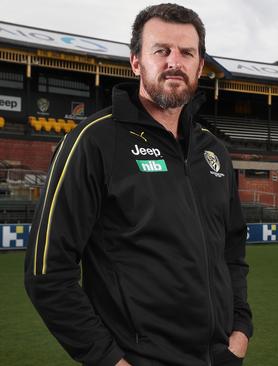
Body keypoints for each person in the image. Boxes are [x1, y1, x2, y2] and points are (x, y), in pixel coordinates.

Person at [24, 4, 252, 366]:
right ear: (135, 62)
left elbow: (232, 252)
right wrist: (108, 359)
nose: (174, 61)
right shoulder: (94, 141)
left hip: (219, 357)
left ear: (199, 65)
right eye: (161, 50)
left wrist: (240, 331)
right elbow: (47, 272)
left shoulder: (214, 151)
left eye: (186, 52)